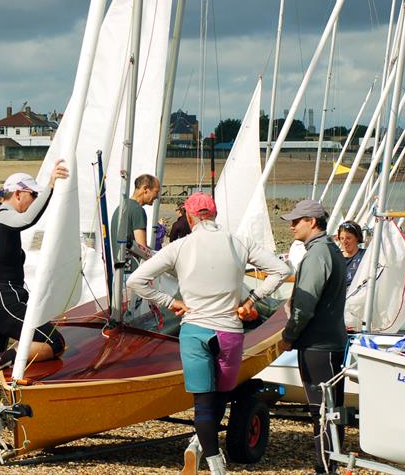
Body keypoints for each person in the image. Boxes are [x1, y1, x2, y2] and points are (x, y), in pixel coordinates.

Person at [127, 192, 291, 474]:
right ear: (214, 215)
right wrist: (252, 300)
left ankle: (214, 463)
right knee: (220, 397)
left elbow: (136, 280)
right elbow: (281, 269)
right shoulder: (238, 242)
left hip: (194, 330)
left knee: (202, 403)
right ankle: (200, 445)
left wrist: (170, 302)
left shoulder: (180, 246)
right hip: (229, 331)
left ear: (190, 218)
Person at [0, 161, 69, 450]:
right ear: (19, 193)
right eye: (32, 196)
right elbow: (29, 220)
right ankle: (0, 361)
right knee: (55, 342)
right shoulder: (6, 215)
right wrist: (50, 183)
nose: (33, 201)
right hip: (2, 299)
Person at [278, 199, 347, 475]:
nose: (292, 225)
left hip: (319, 345)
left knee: (323, 411)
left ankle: (326, 467)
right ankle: (330, 463)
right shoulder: (328, 249)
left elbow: (306, 306)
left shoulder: (318, 253)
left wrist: (288, 335)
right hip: (329, 342)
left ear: (313, 222)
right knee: (330, 409)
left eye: (297, 220)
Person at [110, 173, 160, 263]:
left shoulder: (121, 207)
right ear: (145, 189)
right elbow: (142, 250)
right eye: (156, 191)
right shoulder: (138, 210)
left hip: (118, 268)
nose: (157, 196)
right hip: (131, 269)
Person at [337, 220, 366, 289]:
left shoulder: (366, 255)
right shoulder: (334, 258)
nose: (344, 242)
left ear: (357, 238)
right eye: (342, 238)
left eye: (348, 238)